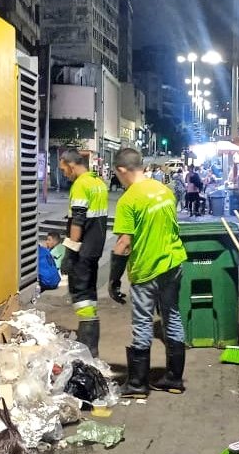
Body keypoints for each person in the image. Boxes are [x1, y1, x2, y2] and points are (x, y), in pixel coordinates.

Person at [108, 147, 188, 397]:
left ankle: (137, 384)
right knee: (172, 316)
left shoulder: (130, 199)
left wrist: (113, 279)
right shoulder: (164, 191)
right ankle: (174, 378)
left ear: (122, 170)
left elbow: (124, 243)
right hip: (173, 263)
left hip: (148, 268)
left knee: (142, 322)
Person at [58, 150, 109, 357]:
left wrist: (69, 253)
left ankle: (89, 348)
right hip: (94, 249)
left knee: (80, 295)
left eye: (63, 169)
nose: (64, 174)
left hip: (82, 251)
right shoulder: (98, 183)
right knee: (89, 295)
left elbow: (78, 220)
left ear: (71, 165)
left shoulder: (80, 185)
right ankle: (90, 345)